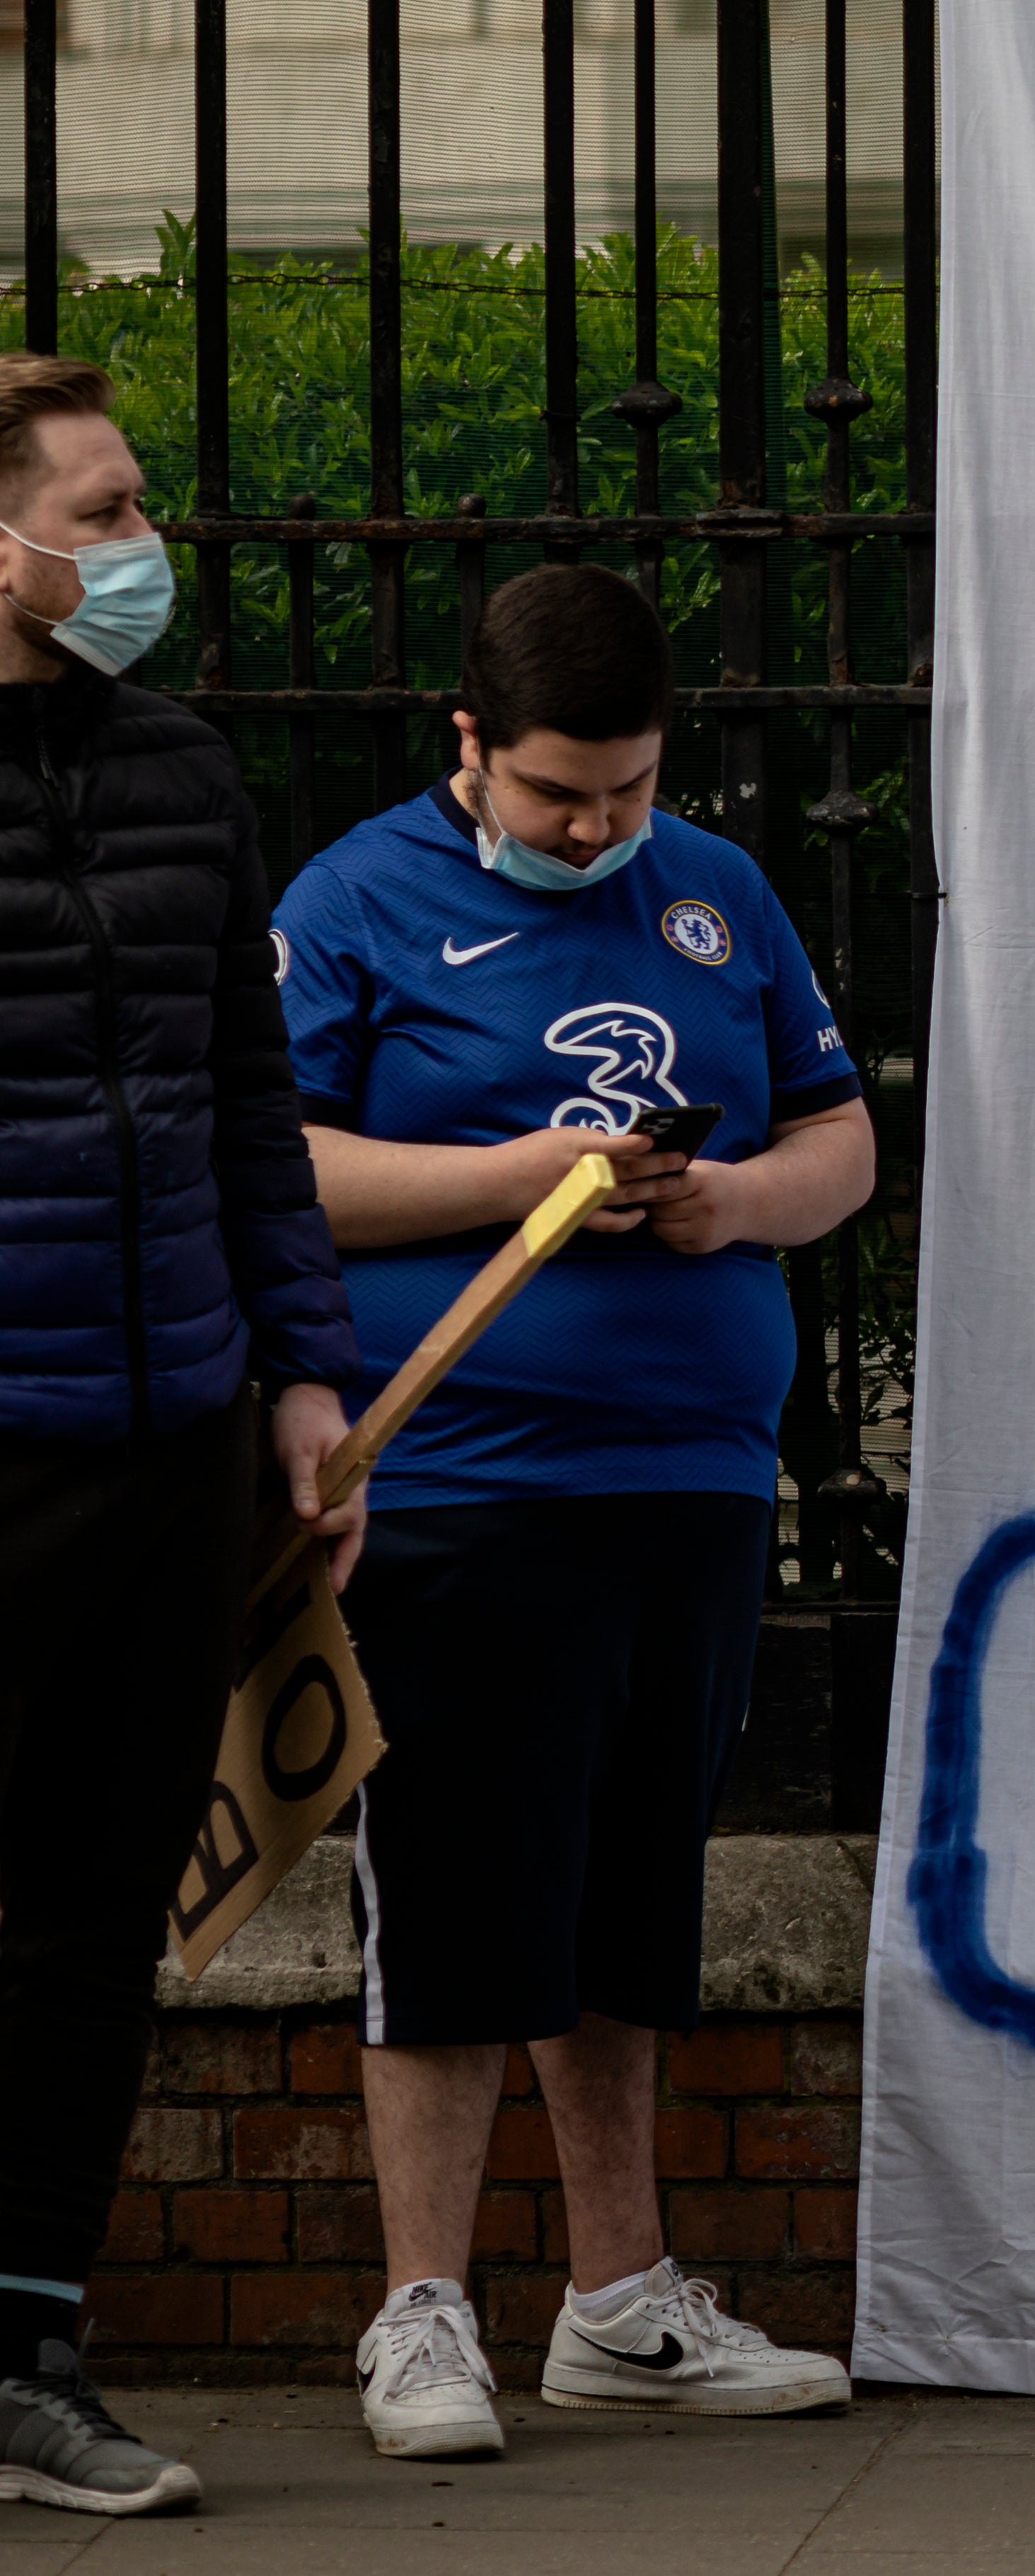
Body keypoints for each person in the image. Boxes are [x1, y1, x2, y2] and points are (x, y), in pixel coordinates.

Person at [279, 563, 875, 2460]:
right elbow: (271, 1161)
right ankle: (423, 2309)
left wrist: (734, 1208)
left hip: (685, 1480)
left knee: (629, 1896)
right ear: (468, 746)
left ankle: (621, 2302)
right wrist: (517, 1173)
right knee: (462, 1892)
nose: (595, 826)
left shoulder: (720, 894)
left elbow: (836, 1134)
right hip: (465, 1481)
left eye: (625, 787)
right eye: (555, 794)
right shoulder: (357, 897)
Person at [0, 355, 364, 2520]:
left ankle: (28, 2350)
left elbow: (253, 1098)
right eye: (109, 507)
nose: (146, 548)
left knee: (91, 1914)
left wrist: (302, 1372)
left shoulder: (186, 773)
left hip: (175, 1435)